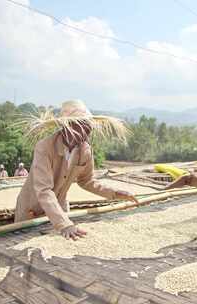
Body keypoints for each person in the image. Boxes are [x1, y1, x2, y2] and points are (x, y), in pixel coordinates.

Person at [15, 100, 138, 241]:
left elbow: (87, 181)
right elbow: (44, 190)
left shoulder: (85, 150)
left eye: (88, 127)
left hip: (60, 208)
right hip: (32, 209)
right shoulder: (45, 147)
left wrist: (114, 193)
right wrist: (64, 224)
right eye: (82, 126)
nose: (87, 132)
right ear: (67, 126)